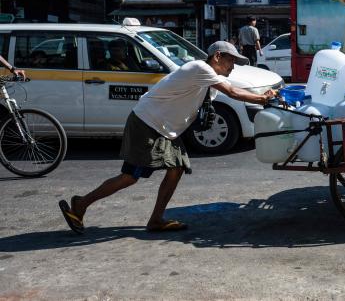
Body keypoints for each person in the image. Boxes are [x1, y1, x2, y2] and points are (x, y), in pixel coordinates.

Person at [58, 41, 277, 234]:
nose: (232, 67)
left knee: (177, 167)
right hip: (148, 123)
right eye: (231, 61)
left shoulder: (207, 79)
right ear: (217, 56)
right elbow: (233, 92)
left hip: (164, 128)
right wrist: (262, 99)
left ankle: (155, 220)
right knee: (130, 177)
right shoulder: (199, 68)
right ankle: (81, 204)